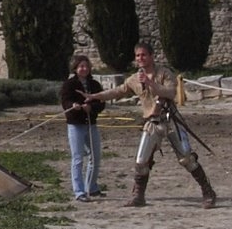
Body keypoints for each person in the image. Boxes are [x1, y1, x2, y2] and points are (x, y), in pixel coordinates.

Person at [83, 41, 217, 208]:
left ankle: (208, 192)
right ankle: (138, 195)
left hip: (170, 120)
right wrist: (95, 96)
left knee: (187, 159)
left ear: (151, 56)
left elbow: (170, 92)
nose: (140, 58)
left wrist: (151, 83)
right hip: (151, 122)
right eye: (138, 55)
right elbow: (118, 91)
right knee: (141, 161)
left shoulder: (164, 73)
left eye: (143, 55)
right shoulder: (134, 79)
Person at [59, 54, 105, 201]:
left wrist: (90, 108)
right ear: (75, 68)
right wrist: (73, 106)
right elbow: (65, 100)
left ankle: (91, 187)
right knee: (78, 158)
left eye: (86, 66)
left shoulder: (95, 85)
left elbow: (101, 102)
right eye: (81, 66)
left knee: (95, 156)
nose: (84, 69)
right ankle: (79, 191)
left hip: (91, 124)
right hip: (75, 125)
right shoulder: (69, 85)